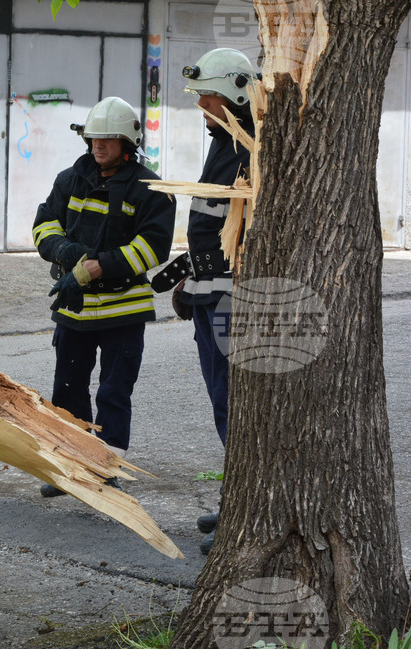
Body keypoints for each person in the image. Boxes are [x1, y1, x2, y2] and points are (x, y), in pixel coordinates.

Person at [32, 97, 176, 496]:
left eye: (107, 140)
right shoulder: (70, 179)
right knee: (68, 386)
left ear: (126, 142)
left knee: (114, 390)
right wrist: (61, 250)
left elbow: (153, 247)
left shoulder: (151, 189)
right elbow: (44, 225)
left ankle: (108, 466)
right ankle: (76, 465)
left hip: (123, 309)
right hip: (75, 307)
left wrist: (101, 266)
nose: (98, 146)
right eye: (94, 138)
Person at [179, 48, 258, 554]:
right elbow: (210, 224)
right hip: (209, 293)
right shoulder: (222, 140)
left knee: (238, 404)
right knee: (221, 402)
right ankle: (237, 498)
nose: (200, 105)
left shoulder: (252, 145)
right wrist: (189, 279)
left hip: (235, 298)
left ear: (232, 91)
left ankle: (246, 512)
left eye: (206, 95)